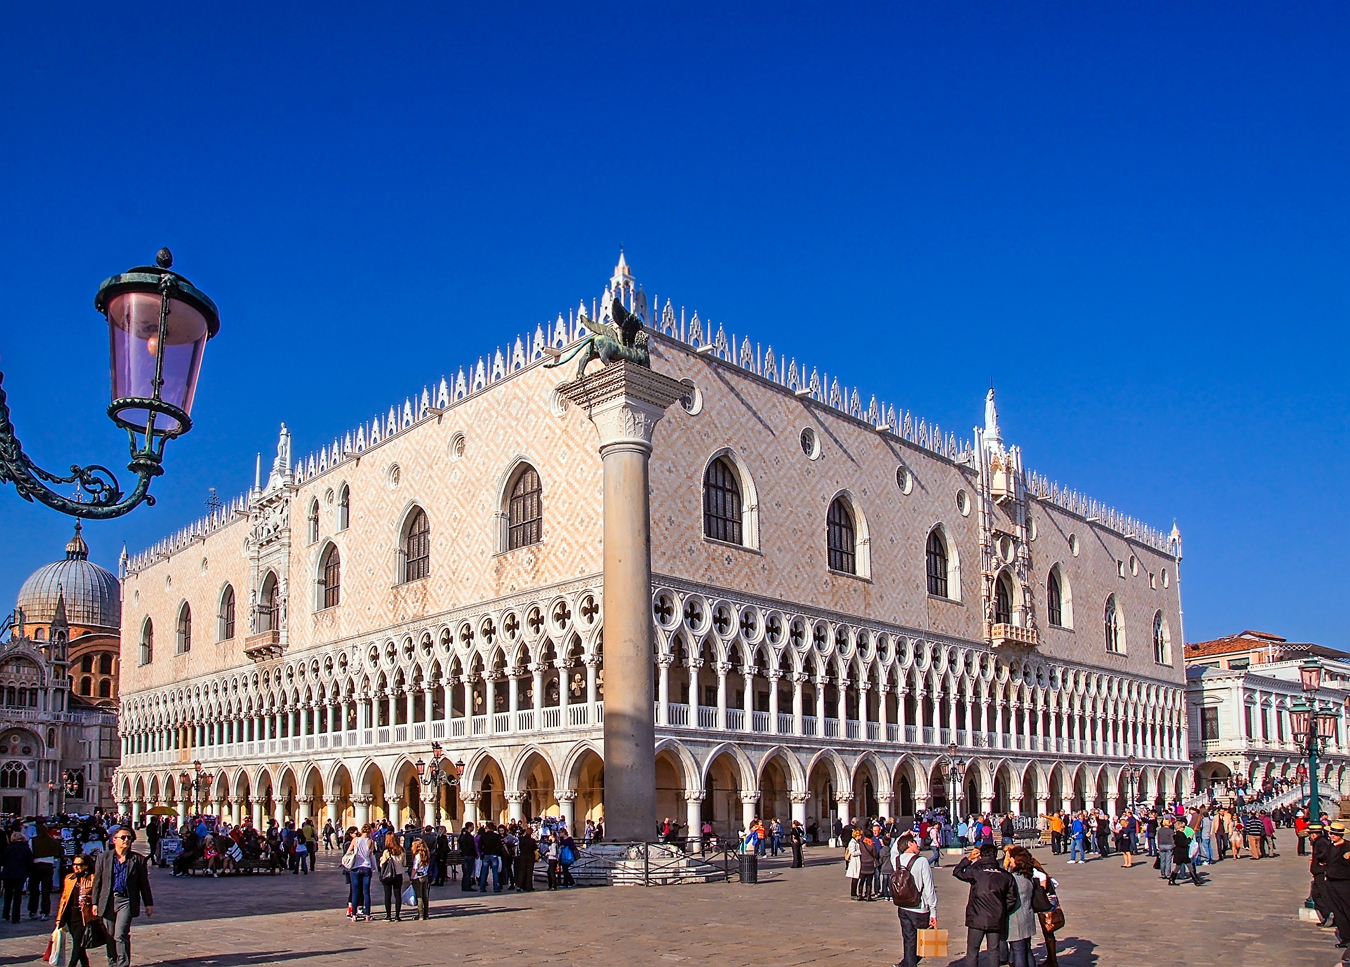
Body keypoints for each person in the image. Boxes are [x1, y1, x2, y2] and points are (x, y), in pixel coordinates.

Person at [92, 827, 153, 967]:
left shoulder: (137, 859)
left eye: (129, 838)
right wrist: (94, 902)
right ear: (114, 840)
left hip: (126, 900)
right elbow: (98, 881)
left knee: (121, 934)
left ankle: (123, 964)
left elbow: (143, 883)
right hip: (108, 899)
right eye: (123, 837)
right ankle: (112, 962)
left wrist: (148, 903)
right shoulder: (104, 858)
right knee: (110, 934)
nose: (127, 840)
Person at [952, 843, 1016, 967]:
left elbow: (957, 872)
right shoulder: (1005, 875)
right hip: (996, 917)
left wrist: (969, 859)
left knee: (972, 951)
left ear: (981, 855)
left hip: (977, 917)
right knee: (993, 951)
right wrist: (1002, 910)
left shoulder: (976, 871)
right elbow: (1012, 898)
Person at [891, 833, 938, 967]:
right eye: (915, 843)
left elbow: (893, 850)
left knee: (909, 941)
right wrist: (933, 911)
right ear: (910, 844)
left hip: (904, 906)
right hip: (920, 908)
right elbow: (929, 888)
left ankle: (906, 964)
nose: (918, 845)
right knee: (923, 945)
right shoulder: (921, 861)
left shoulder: (897, 860)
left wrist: (902, 835)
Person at [56, 853, 98, 967]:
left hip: (83, 914)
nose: (76, 867)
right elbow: (64, 898)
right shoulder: (69, 878)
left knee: (78, 942)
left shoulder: (92, 878)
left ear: (86, 866)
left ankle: (72, 965)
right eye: (74, 864)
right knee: (77, 941)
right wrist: (59, 917)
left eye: (79, 865)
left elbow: (97, 895)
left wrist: (89, 899)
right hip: (70, 914)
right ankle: (85, 964)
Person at [1003, 847, 1036, 967]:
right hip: (1027, 916)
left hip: (1015, 919)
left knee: (1018, 951)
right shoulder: (1028, 876)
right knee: (1027, 950)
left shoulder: (1013, 879)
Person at [1323, 821, 1350, 963]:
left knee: (1347, 909)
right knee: (1338, 911)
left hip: (1344, 882)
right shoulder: (1330, 846)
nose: (1331, 835)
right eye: (1330, 833)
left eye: (1334, 834)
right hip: (1331, 882)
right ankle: (1345, 937)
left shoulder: (1347, 847)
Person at [345, 824, 376, 921]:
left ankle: (354, 915)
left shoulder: (355, 840)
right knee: (366, 892)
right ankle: (367, 915)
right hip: (366, 867)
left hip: (356, 867)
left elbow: (348, 851)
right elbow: (371, 855)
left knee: (355, 892)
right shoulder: (371, 842)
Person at [30, 824, 61, 921]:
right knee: (46, 890)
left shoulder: (33, 841)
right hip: (48, 865)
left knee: (34, 889)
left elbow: (30, 852)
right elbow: (59, 851)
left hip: (36, 865)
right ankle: (45, 911)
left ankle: (32, 910)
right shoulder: (52, 841)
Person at [378, 837, 407, 921]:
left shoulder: (387, 851)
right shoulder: (402, 850)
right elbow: (404, 863)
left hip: (388, 875)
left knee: (388, 895)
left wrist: (381, 860)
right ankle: (397, 916)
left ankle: (388, 915)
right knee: (397, 895)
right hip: (398, 874)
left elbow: (382, 864)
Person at [458, 823, 478, 891]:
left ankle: (464, 885)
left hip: (465, 854)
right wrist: (475, 854)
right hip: (469, 855)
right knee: (468, 871)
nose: (473, 828)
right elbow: (472, 847)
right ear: (469, 827)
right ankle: (467, 886)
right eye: (472, 827)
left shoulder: (463, 836)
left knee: (466, 871)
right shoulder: (469, 836)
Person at [845, 829, 863, 898]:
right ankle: (853, 893)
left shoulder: (857, 842)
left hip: (857, 861)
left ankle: (855, 892)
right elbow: (852, 852)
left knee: (857, 877)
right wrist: (861, 851)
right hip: (854, 861)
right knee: (855, 878)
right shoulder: (852, 842)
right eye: (860, 835)